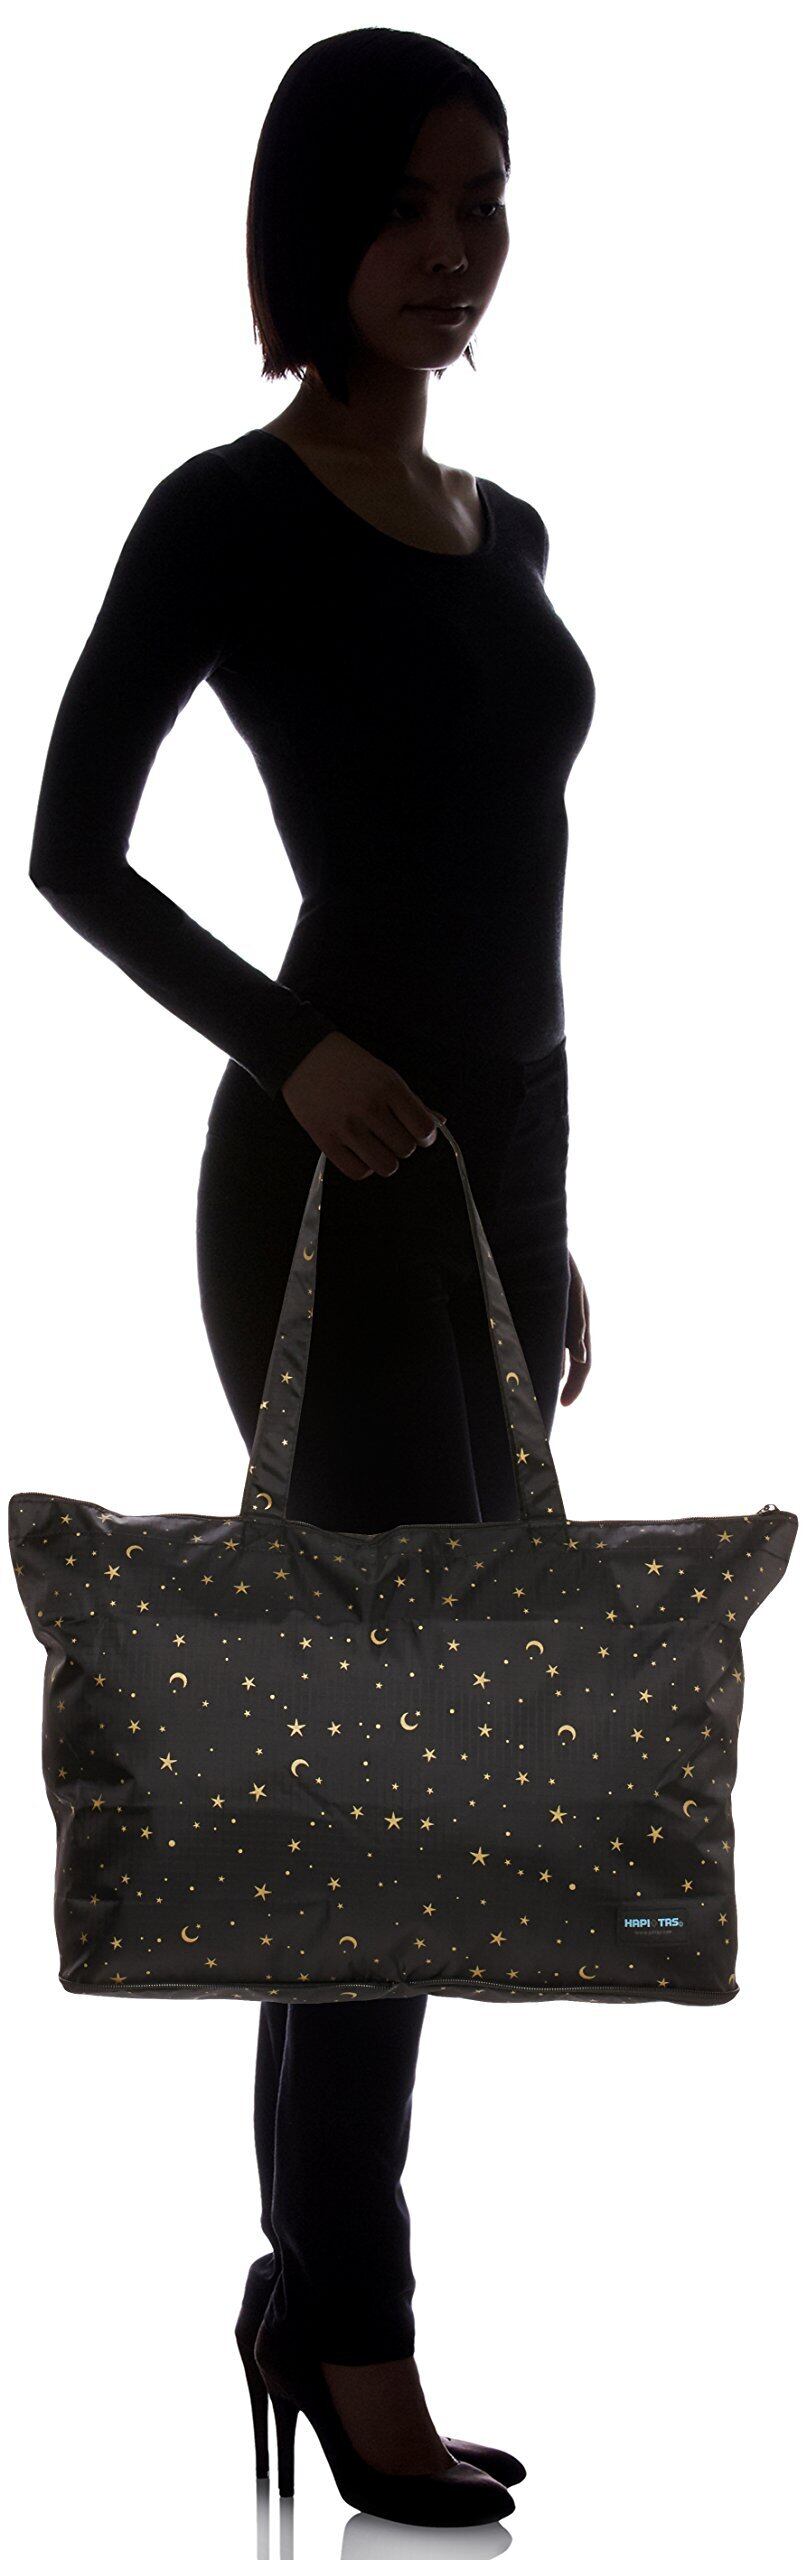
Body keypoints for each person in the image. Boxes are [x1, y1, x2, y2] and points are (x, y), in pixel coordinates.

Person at [27, 25, 595, 2530]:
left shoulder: (510, 528)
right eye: (408, 204)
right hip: (319, 1186)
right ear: (315, 226)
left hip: (474, 1208)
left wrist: (545, 1229)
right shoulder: (227, 510)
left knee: (413, 1765)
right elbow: (69, 844)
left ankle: (310, 2286)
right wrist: (292, 1050)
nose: (453, 249)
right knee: (378, 1772)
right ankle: (346, 2315)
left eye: (485, 201)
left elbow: (530, 937)